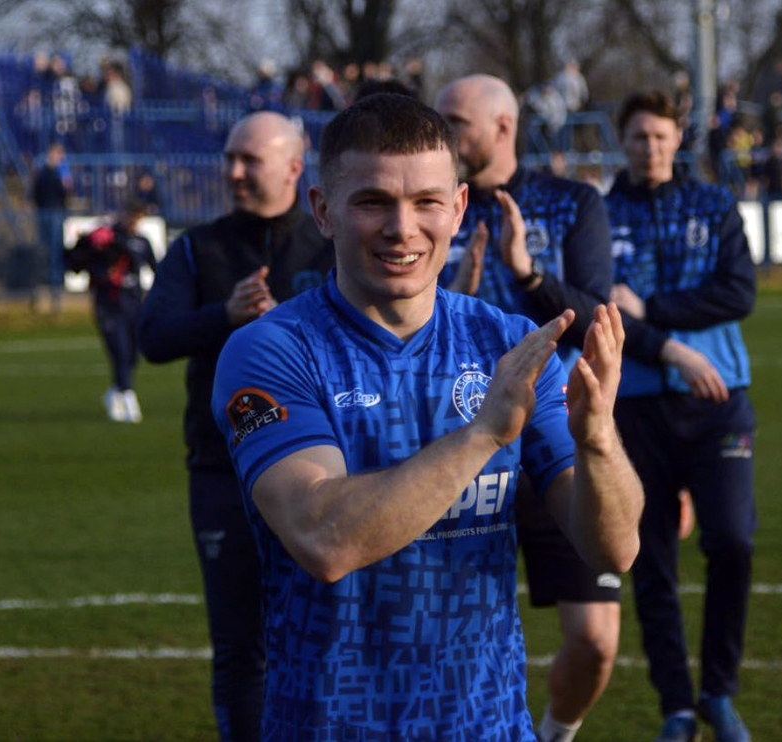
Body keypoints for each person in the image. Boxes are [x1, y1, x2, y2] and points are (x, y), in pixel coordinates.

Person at [209, 92, 643, 742]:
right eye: (372, 202)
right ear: (323, 211)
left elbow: (614, 548)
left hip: (490, 728)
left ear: (459, 208)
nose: (402, 228)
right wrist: (484, 435)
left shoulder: (509, 344)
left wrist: (598, 440)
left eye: (426, 202)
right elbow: (323, 538)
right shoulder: (272, 350)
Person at [434, 72, 621, 742]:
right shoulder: (432, 206)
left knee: (595, 640)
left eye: (457, 123)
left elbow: (597, 318)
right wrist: (450, 295)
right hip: (453, 441)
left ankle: (555, 735)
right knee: (438, 638)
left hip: (549, 435)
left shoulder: (571, 203)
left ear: (504, 127)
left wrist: (529, 275)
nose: (444, 133)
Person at [137, 111, 334, 742]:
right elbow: (153, 337)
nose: (234, 172)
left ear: (295, 168)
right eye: (230, 159)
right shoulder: (199, 247)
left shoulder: (330, 246)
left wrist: (288, 323)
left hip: (326, 472)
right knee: (240, 646)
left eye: (250, 160)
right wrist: (224, 315)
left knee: (331, 635)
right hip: (222, 471)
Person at [604, 90, 757, 742]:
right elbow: (602, 306)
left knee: (733, 541)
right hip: (637, 407)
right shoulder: (601, 215)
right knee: (653, 562)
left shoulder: (714, 204)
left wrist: (655, 312)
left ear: (678, 138)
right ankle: (676, 706)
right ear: (622, 141)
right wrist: (648, 332)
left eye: (662, 136)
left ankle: (719, 691)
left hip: (718, 399)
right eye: (640, 137)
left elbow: (738, 292)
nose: (651, 148)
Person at [68, 199, 156, 422]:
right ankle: (128, 398)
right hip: (109, 305)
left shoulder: (142, 242)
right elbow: (81, 261)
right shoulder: (105, 238)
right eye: (131, 215)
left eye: (138, 217)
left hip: (134, 305)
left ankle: (115, 391)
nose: (134, 221)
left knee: (134, 354)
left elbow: (156, 268)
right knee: (120, 349)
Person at [31, 141, 71, 312]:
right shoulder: (43, 171)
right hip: (46, 214)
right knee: (43, 254)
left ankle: (55, 295)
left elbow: (66, 193)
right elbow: (36, 192)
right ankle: (38, 294)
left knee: (55, 255)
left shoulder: (61, 172)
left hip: (55, 214)